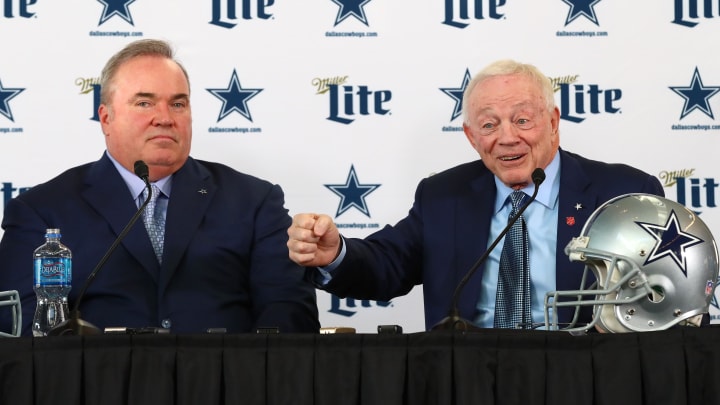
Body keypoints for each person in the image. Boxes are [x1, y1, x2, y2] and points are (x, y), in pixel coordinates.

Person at [287, 59, 664, 331]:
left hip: (582, 374)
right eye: (489, 124)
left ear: (552, 122)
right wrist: (334, 254)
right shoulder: (442, 195)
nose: (507, 137)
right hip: (469, 374)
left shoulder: (625, 193)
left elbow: (661, 299)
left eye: (522, 120)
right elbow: (388, 264)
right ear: (471, 137)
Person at [0, 39, 320, 335]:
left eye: (178, 104)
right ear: (106, 117)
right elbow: (22, 332)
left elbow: (289, 314)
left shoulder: (254, 202)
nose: (164, 118)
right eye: (144, 103)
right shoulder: (42, 211)